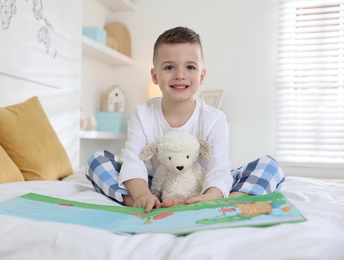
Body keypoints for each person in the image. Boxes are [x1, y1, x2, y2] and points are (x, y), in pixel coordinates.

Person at [86, 26, 285, 213]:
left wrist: (212, 195)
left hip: (202, 186)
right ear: (155, 76)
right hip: (156, 186)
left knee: (270, 166)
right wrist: (143, 194)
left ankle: (225, 199)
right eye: (169, 67)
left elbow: (219, 169)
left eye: (190, 67)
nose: (180, 75)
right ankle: (143, 203)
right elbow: (133, 162)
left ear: (202, 76)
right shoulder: (143, 114)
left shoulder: (214, 119)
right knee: (97, 161)